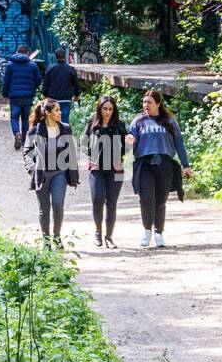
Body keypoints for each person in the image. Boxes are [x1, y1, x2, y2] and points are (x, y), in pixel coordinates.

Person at [124, 90, 192, 248]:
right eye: (144, 102)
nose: (146, 105)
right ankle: (147, 231)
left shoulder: (169, 121)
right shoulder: (138, 121)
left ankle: (159, 233)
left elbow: (179, 143)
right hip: (144, 164)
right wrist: (130, 141)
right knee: (146, 198)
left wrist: (186, 165)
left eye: (149, 102)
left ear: (158, 104)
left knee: (160, 200)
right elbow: (130, 139)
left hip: (165, 163)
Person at [24, 98, 79, 245]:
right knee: (44, 208)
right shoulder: (35, 131)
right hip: (41, 173)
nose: (60, 113)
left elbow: (71, 152)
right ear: (48, 113)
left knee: (57, 204)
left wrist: (74, 174)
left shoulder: (66, 128)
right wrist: (32, 169)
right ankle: (46, 241)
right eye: (56, 110)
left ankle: (56, 237)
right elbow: (27, 152)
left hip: (59, 173)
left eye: (60, 110)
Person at [84, 94, 128, 248]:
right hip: (97, 170)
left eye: (110, 109)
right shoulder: (92, 125)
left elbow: (127, 147)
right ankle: (98, 232)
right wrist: (90, 158)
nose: (107, 112)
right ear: (99, 109)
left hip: (115, 170)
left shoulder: (120, 126)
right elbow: (84, 144)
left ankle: (109, 236)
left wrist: (127, 146)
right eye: (105, 108)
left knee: (111, 203)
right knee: (97, 201)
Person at [2, 43, 42, 150]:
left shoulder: (10, 65)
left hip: (14, 97)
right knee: (25, 119)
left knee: (14, 117)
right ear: (28, 53)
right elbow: (39, 80)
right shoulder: (33, 65)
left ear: (17, 51)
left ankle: (16, 133)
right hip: (28, 96)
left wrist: (5, 94)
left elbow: (6, 81)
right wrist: (32, 87)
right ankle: (24, 140)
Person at [42, 47, 81, 123]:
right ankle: (64, 134)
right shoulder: (70, 69)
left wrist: (45, 94)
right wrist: (76, 95)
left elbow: (45, 84)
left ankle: (54, 134)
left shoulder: (50, 68)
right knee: (64, 120)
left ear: (56, 57)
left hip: (52, 99)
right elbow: (76, 84)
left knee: (52, 120)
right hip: (66, 99)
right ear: (65, 56)